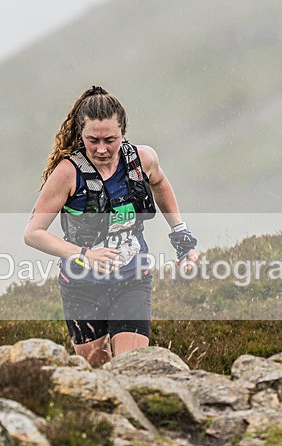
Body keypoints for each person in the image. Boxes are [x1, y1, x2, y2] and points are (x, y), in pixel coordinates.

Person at [24, 85, 199, 367]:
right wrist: (84, 254)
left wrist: (180, 234)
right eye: (93, 140)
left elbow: (161, 185)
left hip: (132, 280)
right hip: (81, 288)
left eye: (110, 139)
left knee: (131, 367)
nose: (102, 148)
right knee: (98, 370)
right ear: (81, 135)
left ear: (123, 133)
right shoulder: (67, 173)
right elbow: (33, 233)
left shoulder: (142, 160)